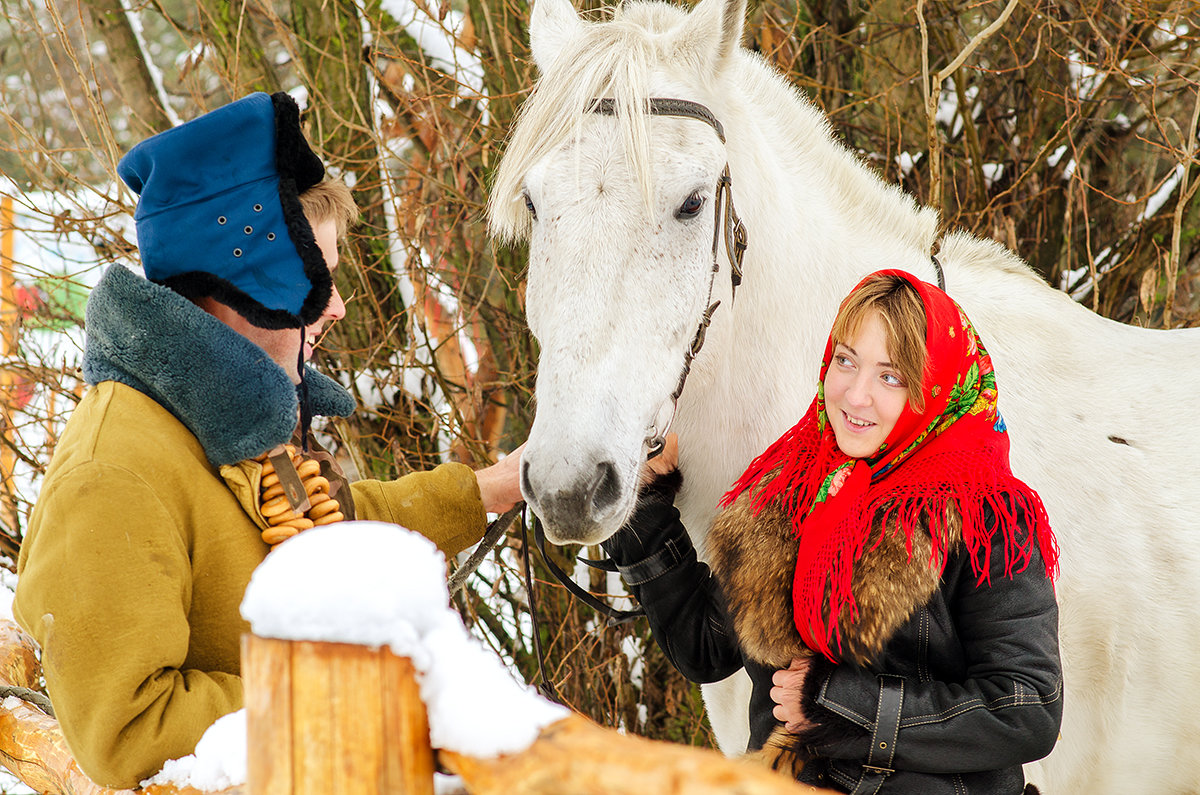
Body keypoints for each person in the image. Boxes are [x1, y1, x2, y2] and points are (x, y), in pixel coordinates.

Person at [13, 92, 522, 788]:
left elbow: (330, 532)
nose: (337, 306)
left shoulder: (228, 418)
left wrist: (491, 488)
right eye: (323, 277)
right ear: (252, 279)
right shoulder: (111, 474)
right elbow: (127, 735)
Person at [603, 270, 1062, 794]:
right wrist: (641, 503)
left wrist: (834, 702)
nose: (855, 395)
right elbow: (705, 647)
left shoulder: (986, 515)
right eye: (846, 360)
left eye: (891, 376)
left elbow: (1027, 709)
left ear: (935, 388)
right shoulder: (792, 487)